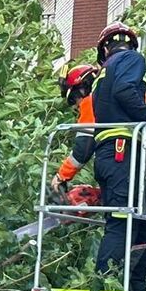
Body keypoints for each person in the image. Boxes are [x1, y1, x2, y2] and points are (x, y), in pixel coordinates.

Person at [89, 21, 146, 279]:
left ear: (105, 49)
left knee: (136, 221)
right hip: (122, 151)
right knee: (122, 221)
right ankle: (103, 283)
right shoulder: (131, 59)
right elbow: (125, 91)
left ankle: (134, 284)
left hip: (109, 154)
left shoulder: (102, 74)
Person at [50, 62, 100, 199]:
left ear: (82, 90)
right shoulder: (135, 95)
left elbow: (83, 148)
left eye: (74, 99)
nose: (77, 106)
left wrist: (61, 176)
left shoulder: (91, 102)